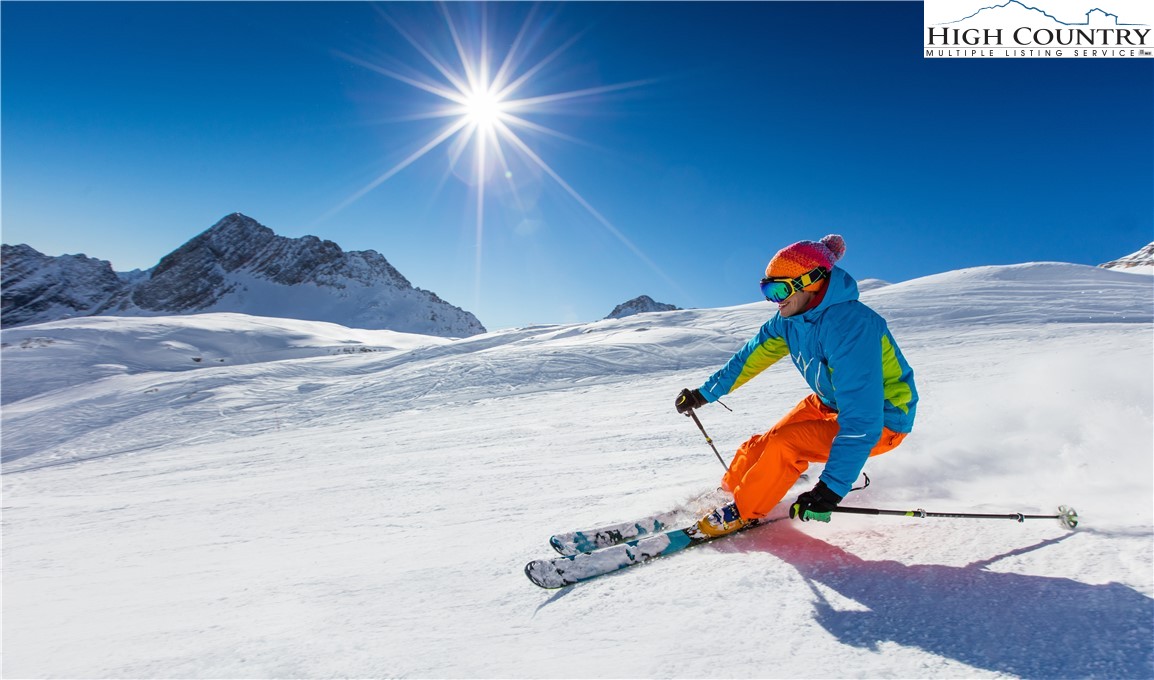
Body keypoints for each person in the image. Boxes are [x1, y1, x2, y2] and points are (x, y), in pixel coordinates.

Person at [675, 234, 918, 535]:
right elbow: (750, 357)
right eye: (767, 289)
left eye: (779, 289)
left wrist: (831, 488)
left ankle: (744, 510)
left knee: (785, 445)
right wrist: (704, 393)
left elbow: (863, 419)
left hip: (884, 417)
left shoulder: (851, 326)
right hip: (830, 402)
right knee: (763, 443)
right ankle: (729, 491)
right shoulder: (789, 320)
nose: (773, 300)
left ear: (812, 281)